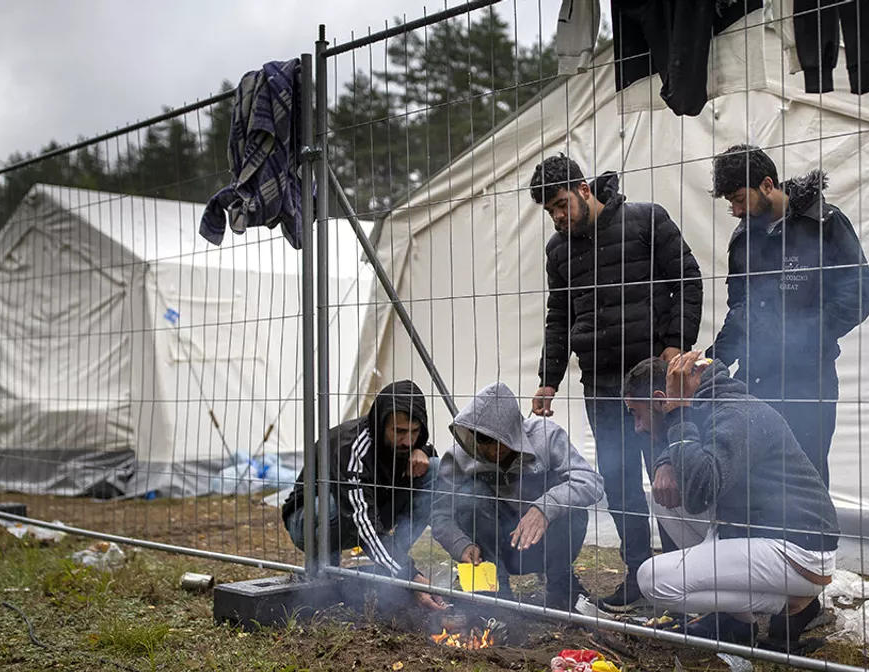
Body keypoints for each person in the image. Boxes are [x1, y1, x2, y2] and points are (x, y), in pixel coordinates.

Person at [529, 154, 704, 611]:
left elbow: (687, 278)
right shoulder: (558, 251)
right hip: (602, 385)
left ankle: (684, 574)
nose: (558, 217)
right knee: (620, 482)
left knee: (669, 476)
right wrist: (549, 378)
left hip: (653, 381)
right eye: (550, 212)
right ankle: (641, 576)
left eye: (561, 204)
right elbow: (559, 318)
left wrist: (675, 345)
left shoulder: (647, 220)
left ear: (584, 189)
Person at [624, 352, 839, 653]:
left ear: (663, 400)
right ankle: (735, 623)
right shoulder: (705, 406)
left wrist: (678, 416)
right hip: (757, 530)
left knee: (652, 579)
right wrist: (664, 461)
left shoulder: (733, 412)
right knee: (665, 498)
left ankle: (792, 604)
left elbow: (700, 490)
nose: (637, 427)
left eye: (637, 413)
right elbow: (691, 463)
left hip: (800, 551)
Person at [707, 144, 869, 487]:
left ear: (767, 185)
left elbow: (860, 291)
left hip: (809, 380)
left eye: (740, 198)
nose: (737, 210)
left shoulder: (823, 223)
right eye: (731, 204)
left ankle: (812, 543)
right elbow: (739, 310)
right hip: (754, 381)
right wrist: (714, 364)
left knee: (806, 479)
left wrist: (804, 335)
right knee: (760, 481)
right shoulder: (743, 240)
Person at [430, 382, 604, 612]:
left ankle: (561, 587)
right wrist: (461, 545)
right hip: (495, 550)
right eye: (484, 441)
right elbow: (440, 515)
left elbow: (591, 482)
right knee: (472, 497)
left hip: (542, 545)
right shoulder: (458, 458)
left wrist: (545, 507)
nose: (493, 451)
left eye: (499, 440)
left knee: (572, 507)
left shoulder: (547, 437)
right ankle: (496, 592)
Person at [281, 380, 443, 610]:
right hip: (309, 519)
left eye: (414, 432)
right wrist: (410, 576)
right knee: (333, 504)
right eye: (398, 432)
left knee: (433, 468)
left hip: (366, 510)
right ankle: (323, 575)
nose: (407, 441)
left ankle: (389, 564)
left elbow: (424, 458)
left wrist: (423, 451)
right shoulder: (351, 449)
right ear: (381, 424)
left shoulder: (409, 445)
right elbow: (362, 522)